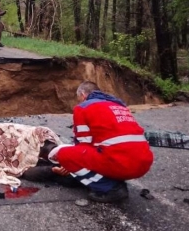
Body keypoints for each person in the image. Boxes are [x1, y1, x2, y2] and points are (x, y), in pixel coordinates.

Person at [23, 81, 153, 203]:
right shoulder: (118, 105)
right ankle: (110, 178)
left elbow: (83, 144)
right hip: (143, 163)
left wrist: (68, 162)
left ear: (83, 95)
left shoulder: (83, 107)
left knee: (65, 155)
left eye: (78, 97)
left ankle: (110, 187)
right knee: (97, 152)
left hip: (121, 164)